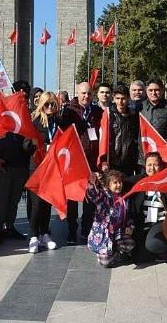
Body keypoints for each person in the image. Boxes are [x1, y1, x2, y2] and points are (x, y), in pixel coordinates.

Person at [0, 80, 34, 245]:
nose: (22, 97)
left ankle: (10, 226)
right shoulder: (1, 109)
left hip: (21, 165)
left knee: (14, 200)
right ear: (13, 92)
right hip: (3, 164)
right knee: (1, 199)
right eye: (19, 93)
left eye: (25, 95)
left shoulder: (29, 113)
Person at [61, 81, 104, 243]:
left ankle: (86, 230)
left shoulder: (97, 111)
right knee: (72, 200)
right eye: (83, 93)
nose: (86, 96)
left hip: (92, 163)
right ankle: (72, 231)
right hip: (74, 164)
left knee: (90, 200)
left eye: (89, 94)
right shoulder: (69, 112)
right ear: (77, 93)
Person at [28, 91, 60, 253]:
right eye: (46, 104)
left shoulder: (59, 121)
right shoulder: (34, 121)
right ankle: (33, 235)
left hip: (53, 168)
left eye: (52, 104)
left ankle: (45, 233)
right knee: (37, 203)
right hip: (37, 167)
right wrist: (36, 145)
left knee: (47, 202)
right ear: (41, 104)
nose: (49, 107)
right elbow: (25, 145)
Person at [86, 170, 135, 267]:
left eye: (120, 182)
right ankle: (103, 252)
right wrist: (92, 183)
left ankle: (115, 250)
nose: (118, 185)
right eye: (115, 182)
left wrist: (130, 226)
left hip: (118, 231)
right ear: (108, 184)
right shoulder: (104, 196)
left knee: (130, 244)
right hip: (105, 234)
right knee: (106, 263)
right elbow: (93, 195)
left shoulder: (125, 197)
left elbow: (129, 214)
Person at [100, 85, 139, 176]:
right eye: (118, 98)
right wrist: (104, 160)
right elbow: (103, 139)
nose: (120, 101)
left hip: (129, 163)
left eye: (123, 98)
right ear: (113, 98)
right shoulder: (109, 115)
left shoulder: (134, 116)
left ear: (128, 98)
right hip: (112, 162)